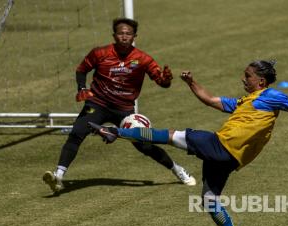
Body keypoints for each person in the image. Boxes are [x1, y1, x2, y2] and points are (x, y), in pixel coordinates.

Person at [88, 60, 288, 226]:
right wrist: (192, 82)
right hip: (229, 159)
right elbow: (211, 101)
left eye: (248, 76)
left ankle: (115, 131)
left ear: (261, 81)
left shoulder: (271, 96)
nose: (244, 79)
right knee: (209, 200)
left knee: (171, 136)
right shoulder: (245, 101)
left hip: (220, 145)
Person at [42, 18, 196, 194]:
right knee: (77, 132)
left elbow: (161, 81)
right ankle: (58, 176)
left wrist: (166, 80)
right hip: (98, 103)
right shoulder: (100, 53)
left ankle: (177, 170)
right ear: (114, 35)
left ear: (134, 36)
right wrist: (82, 87)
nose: (124, 37)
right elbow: (81, 70)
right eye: (121, 33)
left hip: (124, 110)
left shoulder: (143, 59)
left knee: (144, 144)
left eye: (128, 34)